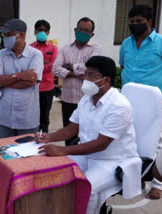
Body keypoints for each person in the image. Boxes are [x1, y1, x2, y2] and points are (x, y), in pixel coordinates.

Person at [36, 56, 141, 214]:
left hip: (112, 161)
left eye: (91, 75)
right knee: (53, 171)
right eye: (86, 74)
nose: (85, 78)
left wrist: (63, 150)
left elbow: (101, 144)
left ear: (106, 80)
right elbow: (71, 129)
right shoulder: (87, 99)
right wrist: (49, 137)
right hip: (88, 155)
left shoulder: (119, 106)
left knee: (87, 187)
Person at [119, 4, 162, 200]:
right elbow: (123, 66)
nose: (134, 25)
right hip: (128, 101)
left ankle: (158, 183)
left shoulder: (161, 43)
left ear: (149, 22)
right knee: (130, 140)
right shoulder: (125, 44)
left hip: (157, 101)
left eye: (139, 21)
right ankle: (135, 177)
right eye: (132, 22)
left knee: (157, 141)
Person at [0, 18, 43, 138]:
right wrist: (18, 75)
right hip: (4, 116)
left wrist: (4, 81)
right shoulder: (1, 54)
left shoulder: (36, 55)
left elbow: (29, 82)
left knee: (27, 154)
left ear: (21, 36)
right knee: (2, 153)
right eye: (4, 34)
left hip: (26, 117)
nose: (5, 37)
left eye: (8, 35)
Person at [52, 17, 101, 146]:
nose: (83, 33)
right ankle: (71, 161)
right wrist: (79, 73)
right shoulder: (65, 48)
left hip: (87, 100)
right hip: (68, 99)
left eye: (86, 31)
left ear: (92, 34)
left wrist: (70, 67)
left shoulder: (95, 49)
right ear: (75, 30)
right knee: (69, 135)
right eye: (80, 30)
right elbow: (55, 69)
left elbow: (91, 69)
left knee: (87, 135)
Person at [30, 20, 58, 133]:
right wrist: (44, 62)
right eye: (40, 30)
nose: (42, 32)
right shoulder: (30, 48)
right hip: (32, 88)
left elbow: (53, 66)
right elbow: (28, 67)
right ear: (35, 32)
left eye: (45, 30)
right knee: (32, 117)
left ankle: (43, 142)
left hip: (47, 88)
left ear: (48, 32)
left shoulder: (53, 48)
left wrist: (38, 64)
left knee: (44, 118)